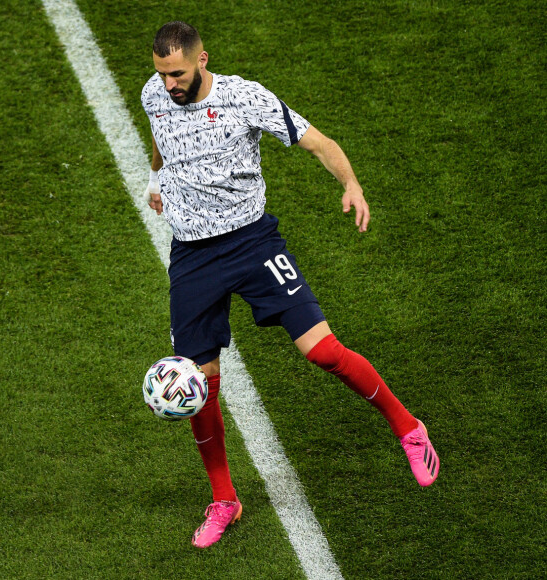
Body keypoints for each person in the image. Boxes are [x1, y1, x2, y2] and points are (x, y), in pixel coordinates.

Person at [142, 21, 439, 549]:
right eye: (163, 74)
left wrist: (351, 184)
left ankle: (408, 428)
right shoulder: (154, 93)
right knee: (199, 382)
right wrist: (156, 180)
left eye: (178, 74)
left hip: (253, 245)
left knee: (323, 351)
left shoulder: (245, 98)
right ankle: (224, 500)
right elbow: (161, 139)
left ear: (203, 59)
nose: (169, 84)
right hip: (192, 257)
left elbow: (319, 142)